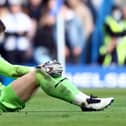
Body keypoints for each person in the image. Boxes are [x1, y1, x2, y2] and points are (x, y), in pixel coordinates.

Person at [0, 19, 114, 112]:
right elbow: (12, 71)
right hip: (2, 99)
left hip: (4, 95)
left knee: (43, 72)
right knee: (41, 73)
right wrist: (41, 68)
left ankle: (86, 100)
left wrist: (43, 68)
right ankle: (86, 101)